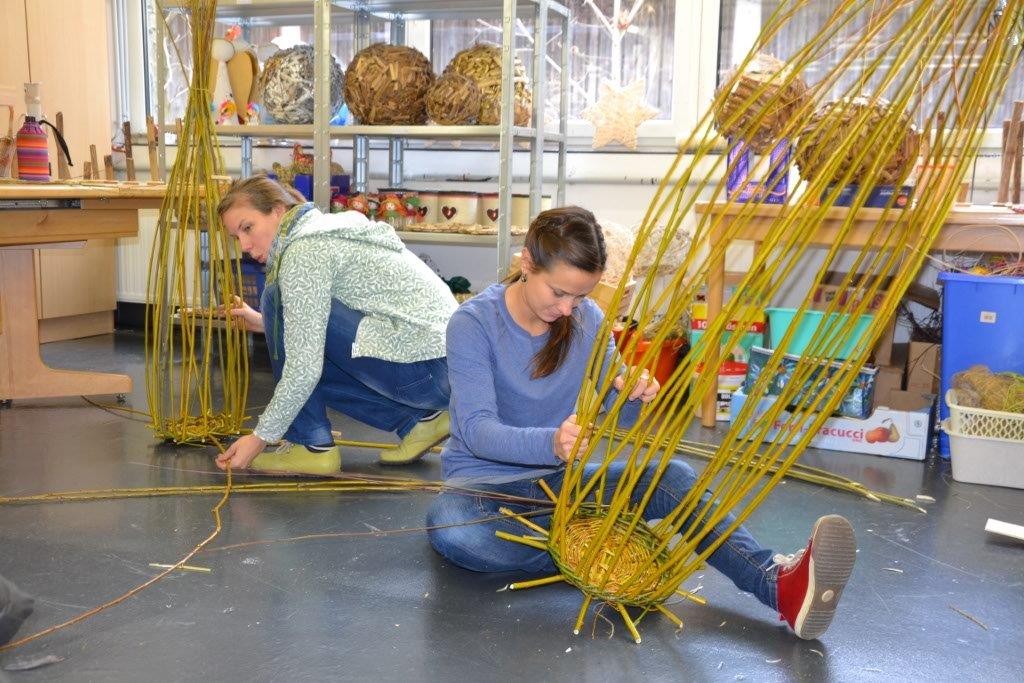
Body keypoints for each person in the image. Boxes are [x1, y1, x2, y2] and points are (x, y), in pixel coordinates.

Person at [426, 206, 857, 640]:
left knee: (672, 478)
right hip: (483, 490)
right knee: (453, 529)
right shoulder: (473, 323)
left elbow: (622, 415)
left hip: (558, 487)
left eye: (581, 297)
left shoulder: (587, 319)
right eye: (558, 292)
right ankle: (596, 550)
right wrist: (551, 443)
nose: (568, 308)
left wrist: (633, 393)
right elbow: (478, 431)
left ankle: (776, 584)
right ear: (527, 263)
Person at [215, 175, 456, 474]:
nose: (245, 246)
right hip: (443, 370)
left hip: (426, 371)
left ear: (277, 210)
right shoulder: (322, 229)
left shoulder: (305, 250)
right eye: (236, 237)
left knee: (276, 299)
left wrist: (260, 437)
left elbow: (304, 367)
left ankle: (310, 444)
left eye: (247, 228)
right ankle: (420, 421)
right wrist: (265, 324)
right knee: (288, 318)